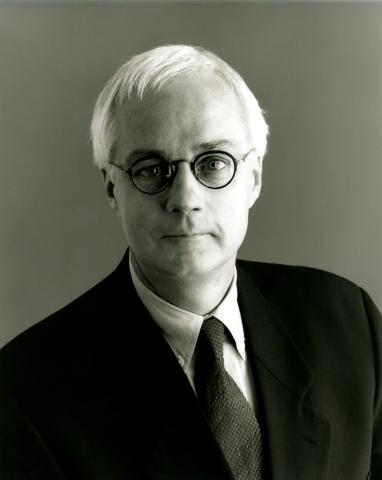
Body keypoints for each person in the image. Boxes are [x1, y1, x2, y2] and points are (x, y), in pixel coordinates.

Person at [0, 44, 381, 480]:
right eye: (150, 169)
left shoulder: (349, 321)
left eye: (213, 163)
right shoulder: (25, 391)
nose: (184, 200)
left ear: (253, 178)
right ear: (111, 190)